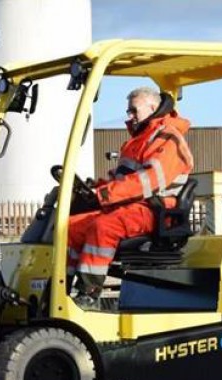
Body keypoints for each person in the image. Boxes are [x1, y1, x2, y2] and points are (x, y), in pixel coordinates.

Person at [67, 86, 194, 309]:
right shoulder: (136, 141)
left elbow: (148, 181)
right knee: (69, 228)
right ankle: (60, 289)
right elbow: (122, 179)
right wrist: (94, 189)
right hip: (131, 207)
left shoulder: (167, 139)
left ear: (152, 107)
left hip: (156, 210)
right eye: (129, 111)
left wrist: (105, 195)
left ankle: (89, 293)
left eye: (134, 111)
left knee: (104, 226)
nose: (130, 116)